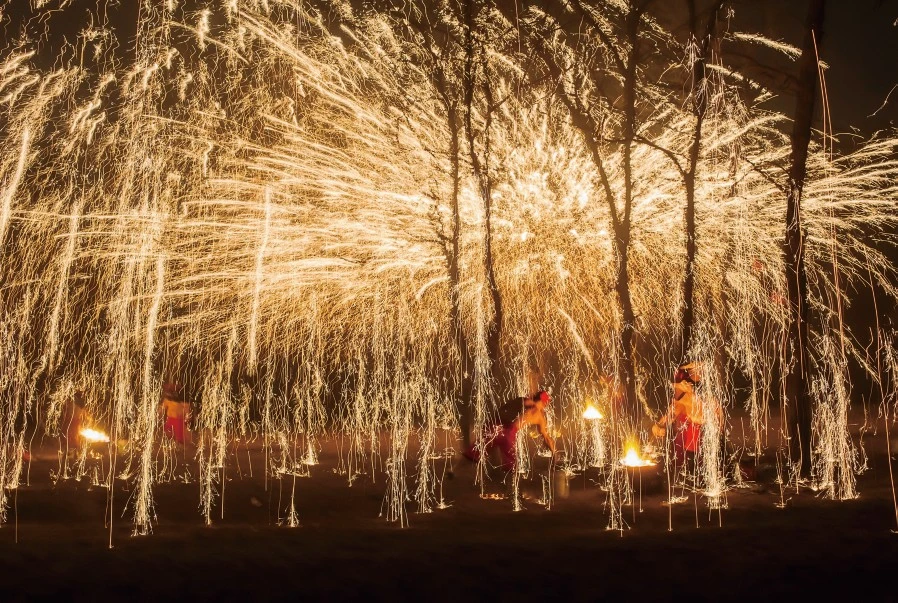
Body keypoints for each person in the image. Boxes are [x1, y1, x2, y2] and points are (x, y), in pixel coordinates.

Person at [652, 362, 719, 475]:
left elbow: (717, 413)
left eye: (701, 369)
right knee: (694, 465)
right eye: (694, 371)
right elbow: (672, 412)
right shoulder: (684, 395)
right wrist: (659, 425)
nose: (699, 372)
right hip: (694, 440)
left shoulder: (709, 393)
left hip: (709, 436)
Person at [464, 390, 556, 471]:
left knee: (510, 464)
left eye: (544, 403)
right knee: (472, 455)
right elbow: (504, 410)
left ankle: (508, 486)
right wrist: (533, 403)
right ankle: (455, 472)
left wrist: (553, 451)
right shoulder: (523, 401)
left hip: (509, 433)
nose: (544, 405)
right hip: (496, 427)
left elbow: (545, 435)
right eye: (542, 402)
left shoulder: (539, 417)